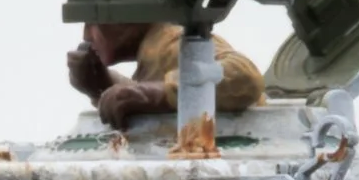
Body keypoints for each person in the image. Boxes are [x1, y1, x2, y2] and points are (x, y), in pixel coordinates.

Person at [67, 20, 264, 129]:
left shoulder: (172, 43)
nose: (86, 35)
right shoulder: (153, 50)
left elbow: (243, 75)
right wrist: (103, 86)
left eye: (93, 21)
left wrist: (154, 94)